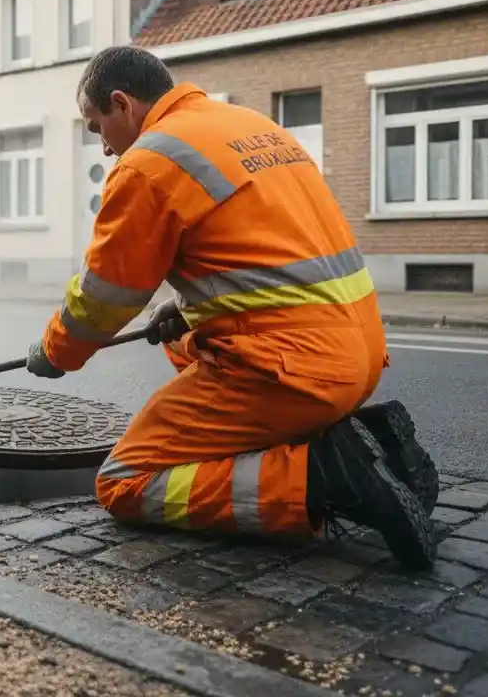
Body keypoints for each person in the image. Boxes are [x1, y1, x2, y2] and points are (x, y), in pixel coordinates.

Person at [25, 46, 439, 570]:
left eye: (95, 127)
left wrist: (55, 351)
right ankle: (359, 442)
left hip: (292, 375)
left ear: (121, 103)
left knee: (123, 481)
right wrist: (188, 302)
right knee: (181, 340)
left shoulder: (147, 165)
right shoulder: (249, 126)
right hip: (358, 357)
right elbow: (267, 247)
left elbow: (108, 295)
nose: (104, 147)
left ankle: (320, 476)